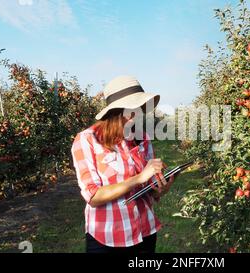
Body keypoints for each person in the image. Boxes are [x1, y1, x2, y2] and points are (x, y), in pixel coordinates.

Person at [71, 76, 175, 253]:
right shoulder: (88, 140)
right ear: (114, 111)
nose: (136, 114)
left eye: (140, 108)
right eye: (130, 109)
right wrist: (138, 178)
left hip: (144, 231)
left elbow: (151, 189)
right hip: (107, 237)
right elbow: (93, 196)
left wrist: (161, 187)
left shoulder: (142, 138)